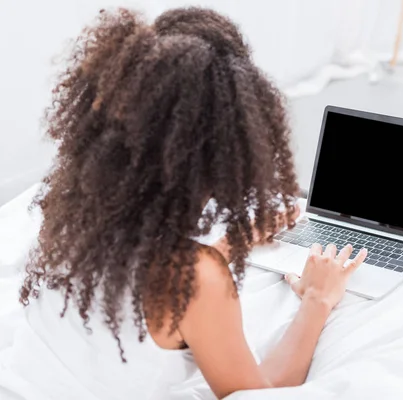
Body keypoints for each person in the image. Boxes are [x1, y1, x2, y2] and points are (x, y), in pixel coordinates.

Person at [0, 7, 367, 400]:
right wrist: (317, 299)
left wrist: (233, 244)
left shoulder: (69, 209)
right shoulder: (195, 281)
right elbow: (259, 393)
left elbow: (141, 282)